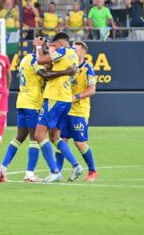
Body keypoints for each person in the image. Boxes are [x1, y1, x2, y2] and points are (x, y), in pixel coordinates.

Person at [0, 41, 76, 183]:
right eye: (45, 49)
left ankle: (2, 168)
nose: (47, 53)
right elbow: (45, 74)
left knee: (19, 137)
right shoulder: (34, 59)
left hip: (21, 101)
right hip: (32, 103)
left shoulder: (25, 58)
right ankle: (29, 174)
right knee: (35, 138)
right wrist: (65, 72)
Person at [34, 32, 84, 183]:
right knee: (55, 137)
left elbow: (41, 61)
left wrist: (38, 47)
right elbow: (50, 64)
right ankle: (76, 166)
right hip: (65, 99)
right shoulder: (73, 55)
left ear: (60, 44)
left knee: (38, 135)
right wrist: (48, 48)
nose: (53, 48)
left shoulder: (62, 51)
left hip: (54, 98)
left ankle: (55, 171)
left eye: (54, 46)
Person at [57, 41, 98, 182]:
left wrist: (76, 97)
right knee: (61, 140)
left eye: (75, 50)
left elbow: (92, 90)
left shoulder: (88, 69)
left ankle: (92, 171)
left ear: (83, 52)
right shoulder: (69, 68)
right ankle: (58, 172)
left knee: (79, 143)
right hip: (65, 110)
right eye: (72, 49)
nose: (73, 52)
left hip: (79, 111)